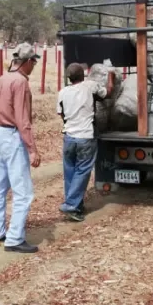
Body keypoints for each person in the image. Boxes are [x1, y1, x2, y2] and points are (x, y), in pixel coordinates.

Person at [0, 43, 42, 253]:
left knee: (0, 186)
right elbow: (22, 119)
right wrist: (32, 148)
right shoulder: (20, 82)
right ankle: (15, 238)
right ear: (27, 62)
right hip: (12, 135)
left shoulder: (3, 78)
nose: (34, 66)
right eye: (34, 62)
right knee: (23, 192)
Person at [56, 63, 114, 222]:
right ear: (83, 76)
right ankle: (71, 205)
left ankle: (76, 206)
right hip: (86, 137)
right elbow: (107, 93)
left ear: (69, 78)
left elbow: (61, 114)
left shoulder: (62, 92)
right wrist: (111, 76)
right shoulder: (90, 86)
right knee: (82, 171)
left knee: (70, 172)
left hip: (69, 137)